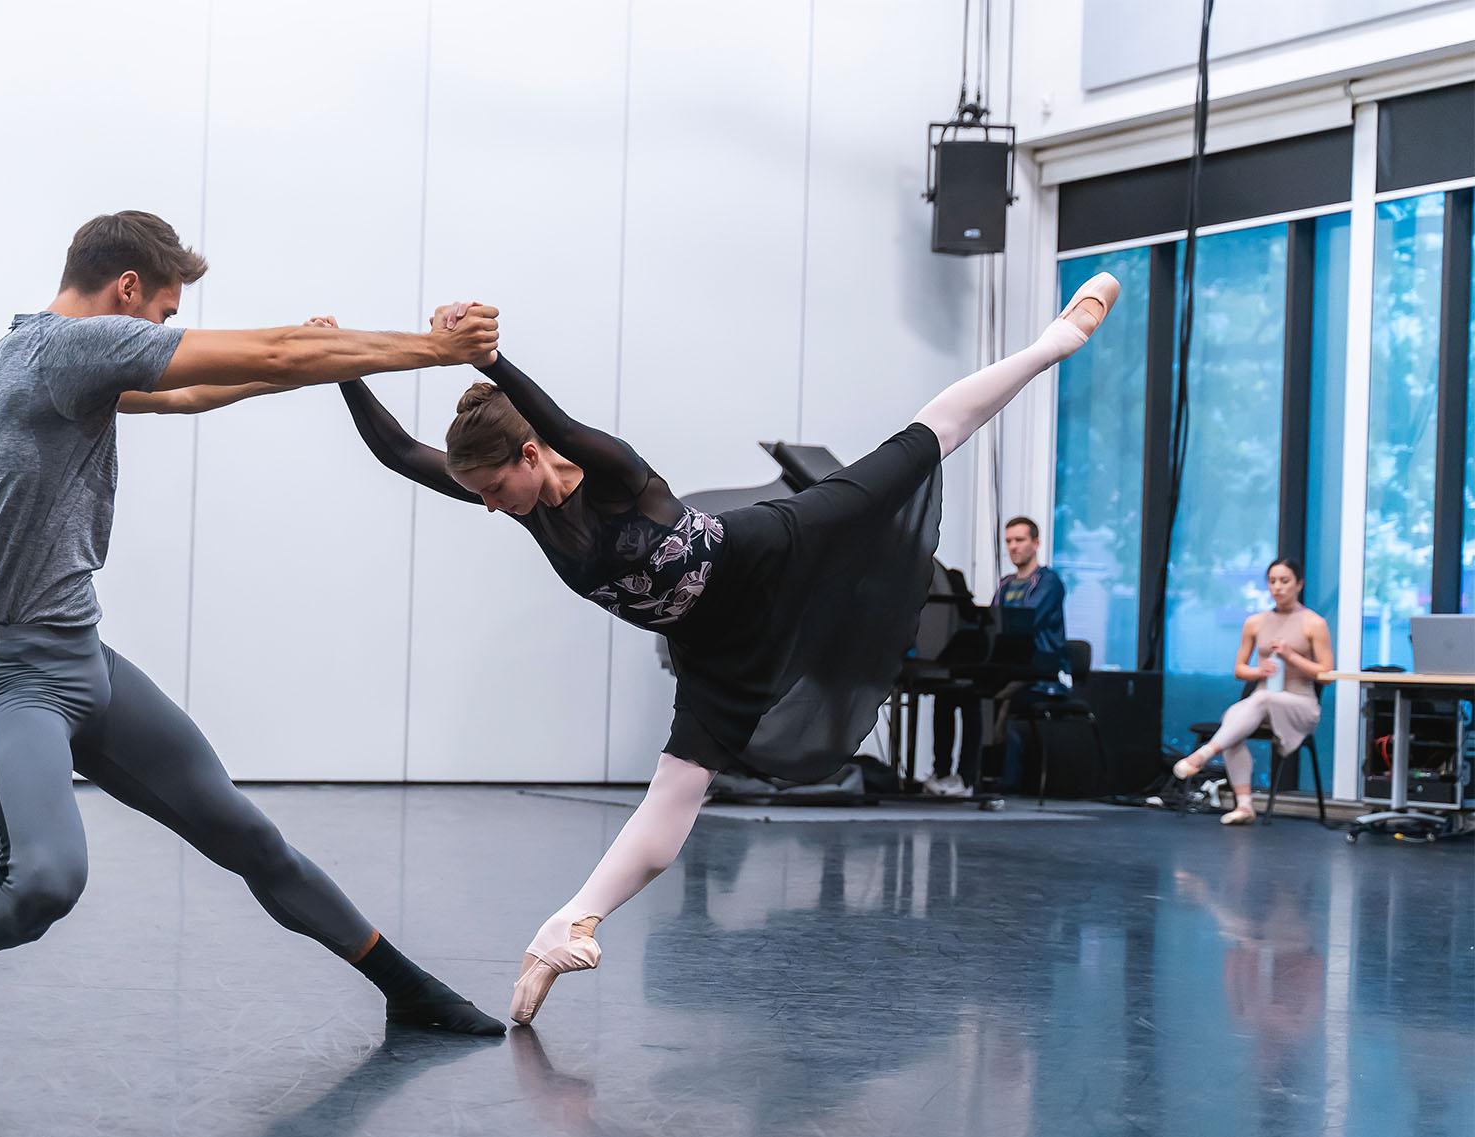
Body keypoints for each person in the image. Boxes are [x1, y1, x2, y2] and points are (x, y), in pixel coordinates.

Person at [330, 271, 1121, 1024]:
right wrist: (342, 369)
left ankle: (1057, 339)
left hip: (765, 556)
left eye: (497, 491)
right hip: (710, 643)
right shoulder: (518, 499)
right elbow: (400, 453)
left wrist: (492, 358)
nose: (494, 511)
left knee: (918, 445)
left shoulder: (608, 468)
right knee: (676, 796)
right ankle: (566, 927)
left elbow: (562, 420)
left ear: (530, 455)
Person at [0, 211, 507, 1072]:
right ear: (126, 291)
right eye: (163, 313)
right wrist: (432, 349)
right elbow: (267, 354)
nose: (161, 331)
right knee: (45, 879)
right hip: (7, 678)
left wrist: (306, 359)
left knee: (247, 836)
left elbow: (193, 388)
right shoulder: (70, 349)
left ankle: (409, 990)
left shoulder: (46, 357)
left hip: (85, 661)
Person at [1171, 558, 1332, 825]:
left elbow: (1325, 674)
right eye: (1272, 581)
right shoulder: (1255, 622)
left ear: (1299, 584)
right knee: (1236, 717)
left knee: (1259, 700)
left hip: (1299, 704)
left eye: (1284, 581)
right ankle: (1245, 806)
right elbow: (1239, 669)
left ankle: (1204, 754)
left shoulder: (1313, 623)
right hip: (1261, 702)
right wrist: (1260, 672)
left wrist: (1291, 656)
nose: (1278, 587)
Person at [990, 515, 1071, 792]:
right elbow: (993, 625)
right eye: (1009, 541)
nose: (1013, 546)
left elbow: (1026, 623)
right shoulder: (1005, 584)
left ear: (1035, 543)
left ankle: (1007, 779)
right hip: (1011, 667)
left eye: (1020, 540)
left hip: (1042, 671)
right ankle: (962, 776)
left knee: (1005, 697)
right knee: (966, 692)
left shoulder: (1048, 582)